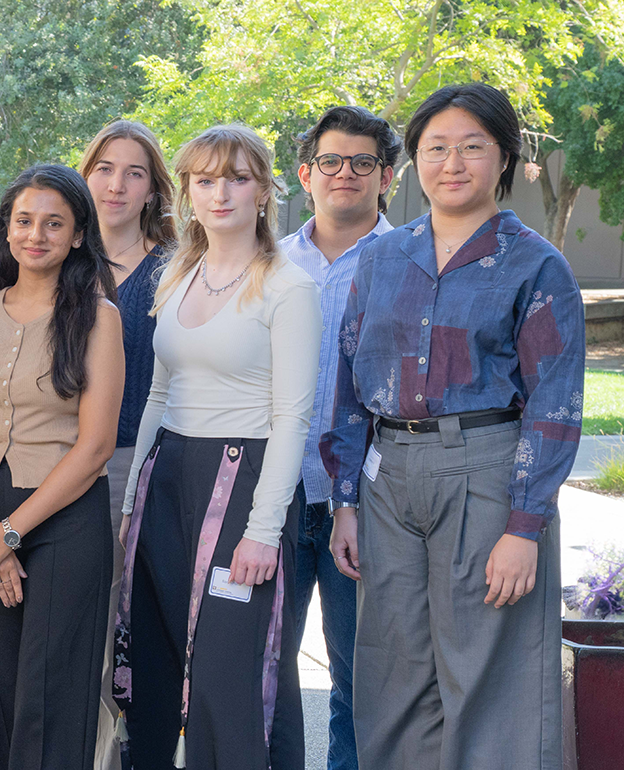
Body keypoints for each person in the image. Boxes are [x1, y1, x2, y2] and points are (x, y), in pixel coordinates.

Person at [322, 83, 581, 770]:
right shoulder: (381, 258)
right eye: (436, 148)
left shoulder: (535, 264)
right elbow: (348, 386)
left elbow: (555, 405)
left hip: (488, 474)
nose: (453, 163)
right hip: (388, 483)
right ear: (412, 162)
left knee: (490, 675)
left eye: (472, 147)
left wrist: (525, 529)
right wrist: (345, 501)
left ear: (503, 158)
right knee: (392, 673)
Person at [115, 124, 315, 770]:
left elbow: (293, 417)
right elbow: (157, 396)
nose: (220, 193)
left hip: (243, 481)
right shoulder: (178, 274)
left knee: (231, 680)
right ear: (187, 193)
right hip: (167, 478)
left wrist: (261, 529)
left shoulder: (289, 287)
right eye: (204, 180)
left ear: (264, 190)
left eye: (237, 177)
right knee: (158, 661)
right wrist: (128, 509)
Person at [0, 164, 124, 769]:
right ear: (7, 228)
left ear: (77, 235)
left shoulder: (99, 318)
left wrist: (11, 533)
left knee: (52, 693)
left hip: (65, 518)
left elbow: (96, 447)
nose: (35, 234)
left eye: (54, 223)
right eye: (24, 221)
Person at [276, 104, 399, 770]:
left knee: (360, 684)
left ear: (386, 176)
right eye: (330, 161)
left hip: (369, 507)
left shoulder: (411, 262)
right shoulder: (268, 262)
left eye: (362, 163)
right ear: (305, 173)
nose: (344, 174)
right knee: (263, 675)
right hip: (275, 499)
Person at [74, 120, 176, 770]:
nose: (116, 183)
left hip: (154, 463)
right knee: (88, 629)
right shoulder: (60, 259)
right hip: (72, 465)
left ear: (153, 189)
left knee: (147, 629)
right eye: (106, 167)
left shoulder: (178, 266)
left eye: (134, 172)